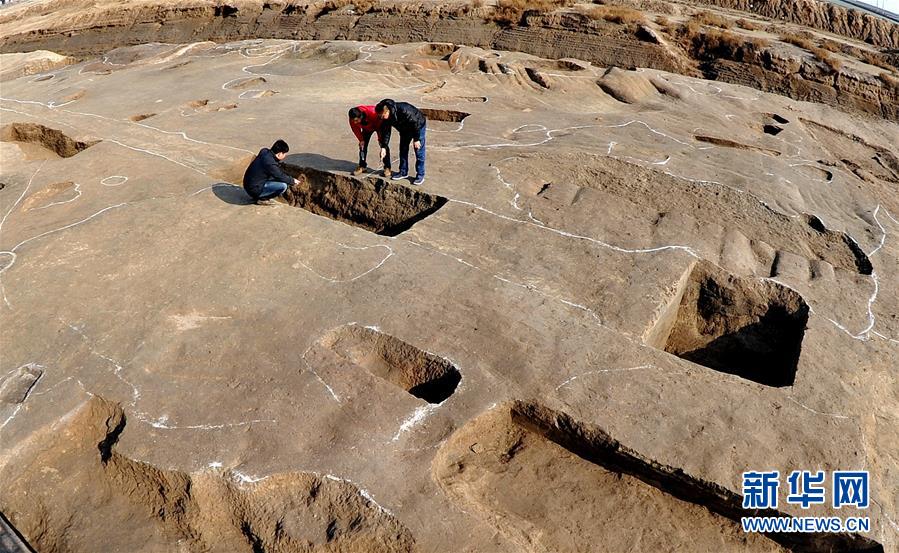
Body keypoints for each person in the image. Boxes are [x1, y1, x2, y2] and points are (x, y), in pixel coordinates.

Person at [375, 99, 427, 186]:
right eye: (380, 116)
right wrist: (383, 147)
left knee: (419, 151)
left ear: (387, 111)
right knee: (403, 149)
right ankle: (403, 172)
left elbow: (416, 123)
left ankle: (420, 175)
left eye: (382, 116)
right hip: (404, 130)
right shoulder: (385, 118)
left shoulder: (404, 109)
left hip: (418, 126)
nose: (381, 118)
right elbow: (386, 132)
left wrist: (416, 139)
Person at [242, 139, 302, 204]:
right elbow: (280, 176)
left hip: (248, 184)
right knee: (283, 186)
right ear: (279, 154)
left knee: (274, 177)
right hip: (254, 189)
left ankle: (259, 194)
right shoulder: (270, 163)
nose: (285, 156)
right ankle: (261, 199)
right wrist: (293, 181)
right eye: (284, 154)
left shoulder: (264, 151)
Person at [348, 106, 391, 178]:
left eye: (356, 120)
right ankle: (362, 166)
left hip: (378, 125)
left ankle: (387, 167)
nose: (355, 122)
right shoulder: (352, 119)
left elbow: (381, 126)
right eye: (353, 121)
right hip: (367, 128)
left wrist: (381, 140)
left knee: (384, 146)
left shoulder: (373, 113)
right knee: (362, 146)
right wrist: (361, 139)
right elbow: (355, 129)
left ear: (360, 116)